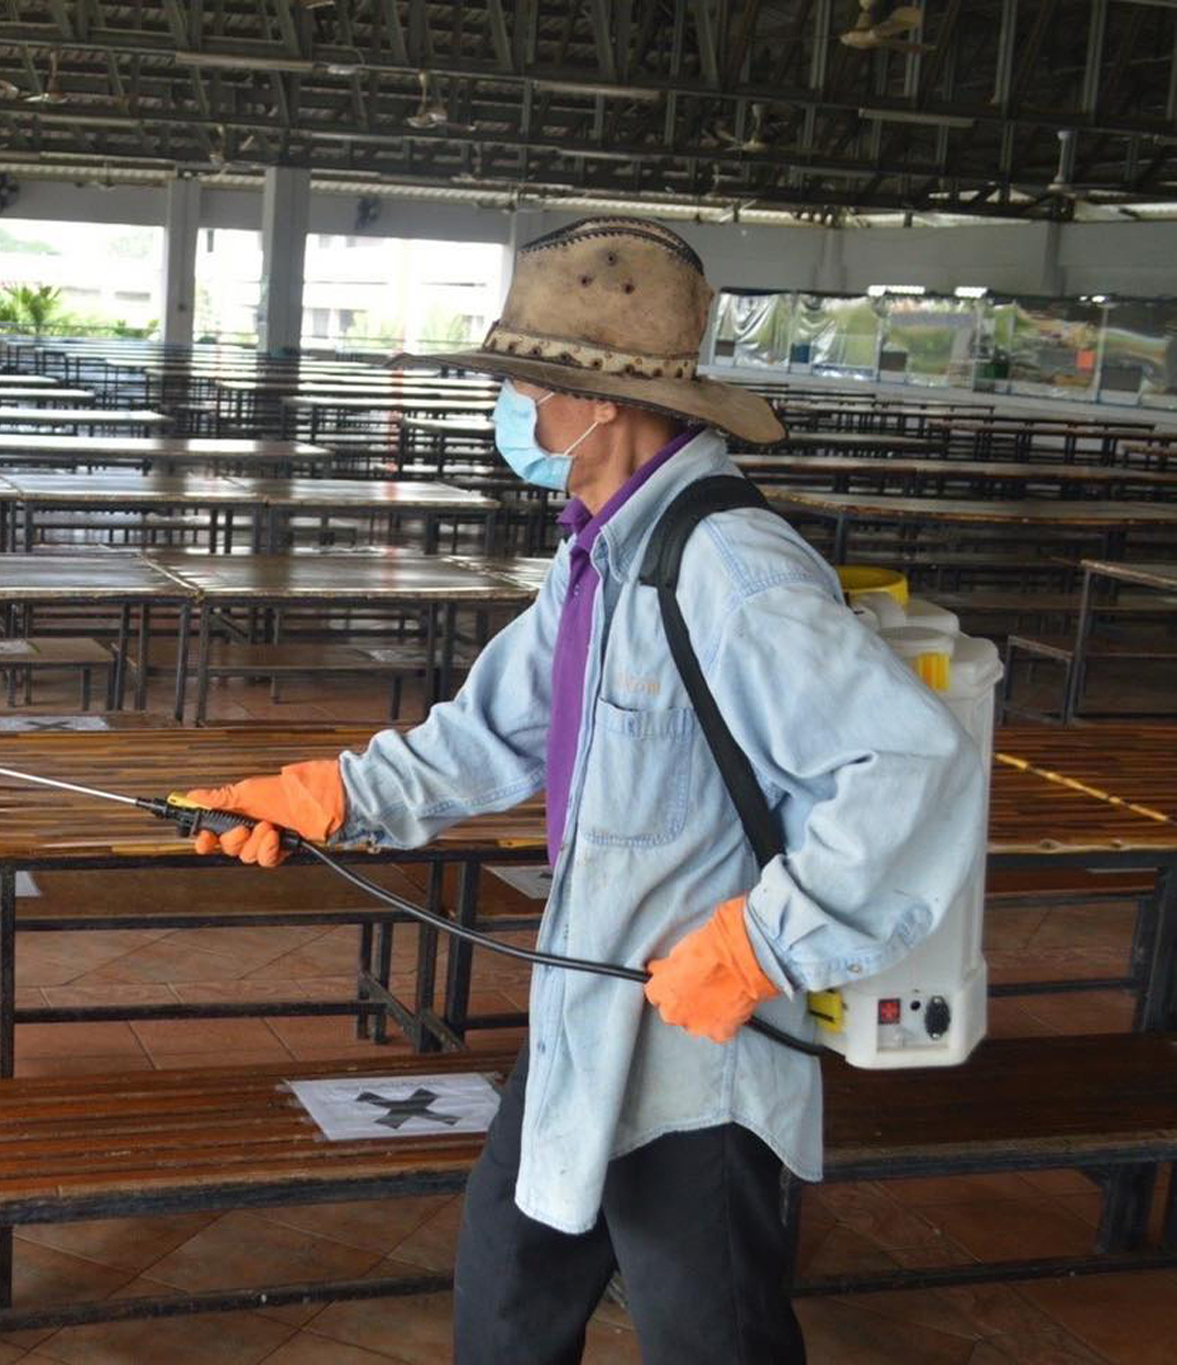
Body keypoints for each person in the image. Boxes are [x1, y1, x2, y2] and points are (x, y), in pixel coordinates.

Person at [182, 217, 985, 1363]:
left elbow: (909, 765)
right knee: (506, 1305)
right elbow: (491, 732)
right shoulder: (596, 555)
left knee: (713, 1339)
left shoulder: (731, 569)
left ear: (593, 401)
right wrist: (324, 798)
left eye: (522, 382)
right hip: (584, 1018)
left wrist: (763, 945)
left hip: (694, 1046)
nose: (512, 407)